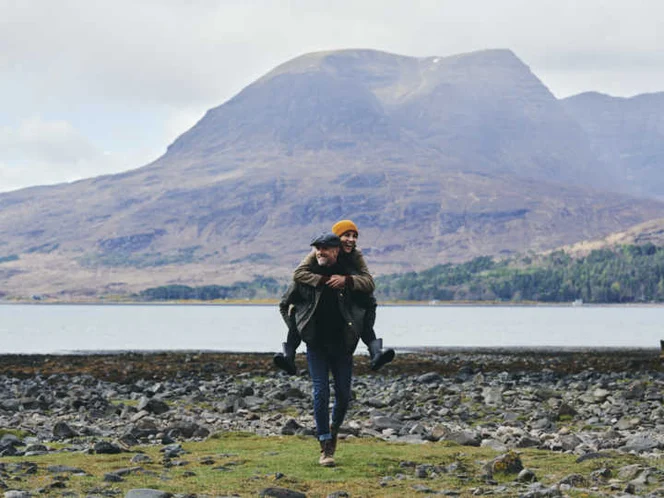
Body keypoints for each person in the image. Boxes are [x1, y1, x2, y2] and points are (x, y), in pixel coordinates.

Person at [278, 232, 366, 467]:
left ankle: (333, 431)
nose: (320, 252)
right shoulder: (306, 277)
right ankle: (325, 445)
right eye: (317, 249)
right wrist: (298, 329)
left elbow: (369, 301)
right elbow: (284, 304)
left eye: (325, 249)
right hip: (315, 344)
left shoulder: (348, 276)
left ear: (336, 250)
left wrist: (358, 329)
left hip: (343, 346)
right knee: (320, 392)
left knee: (344, 396)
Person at [274, 220, 394, 374]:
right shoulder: (319, 252)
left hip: (348, 294)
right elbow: (298, 274)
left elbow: (369, 282)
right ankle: (288, 355)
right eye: (347, 235)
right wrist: (323, 281)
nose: (351, 239)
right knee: (296, 309)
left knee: (366, 304)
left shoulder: (356, 255)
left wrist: (347, 280)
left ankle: (376, 352)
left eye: (354, 236)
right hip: (318, 295)